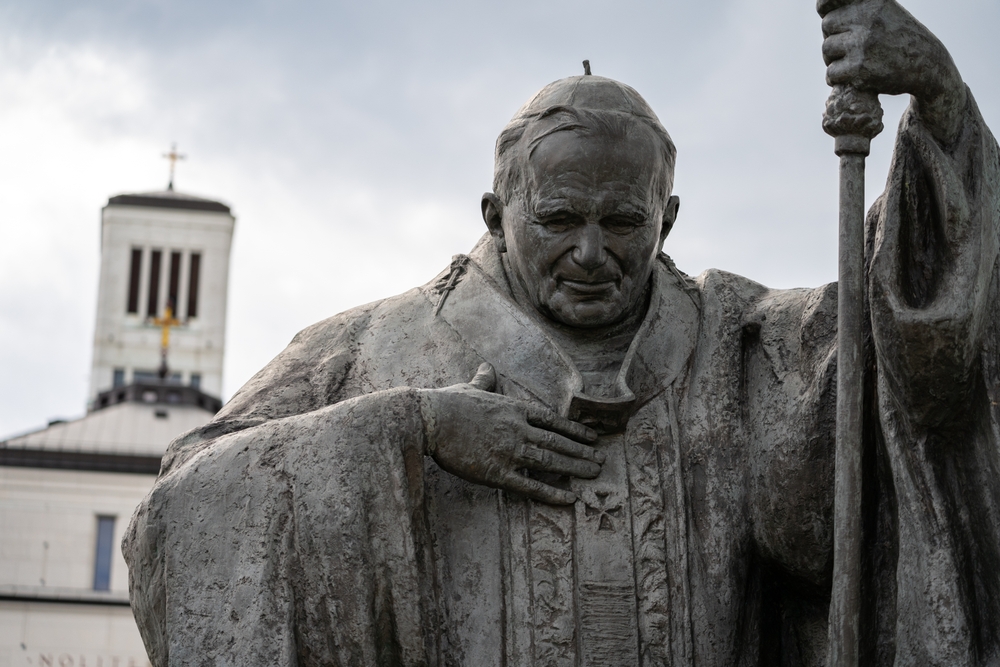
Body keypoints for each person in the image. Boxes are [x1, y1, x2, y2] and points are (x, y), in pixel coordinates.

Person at [124, 1, 1000, 664]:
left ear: (668, 218)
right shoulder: (363, 353)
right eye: (557, 219)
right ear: (495, 214)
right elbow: (182, 511)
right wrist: (407, 428)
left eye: (623, 222)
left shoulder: (741, 349)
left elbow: (912, 360)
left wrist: (941, 101)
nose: (590, 252)